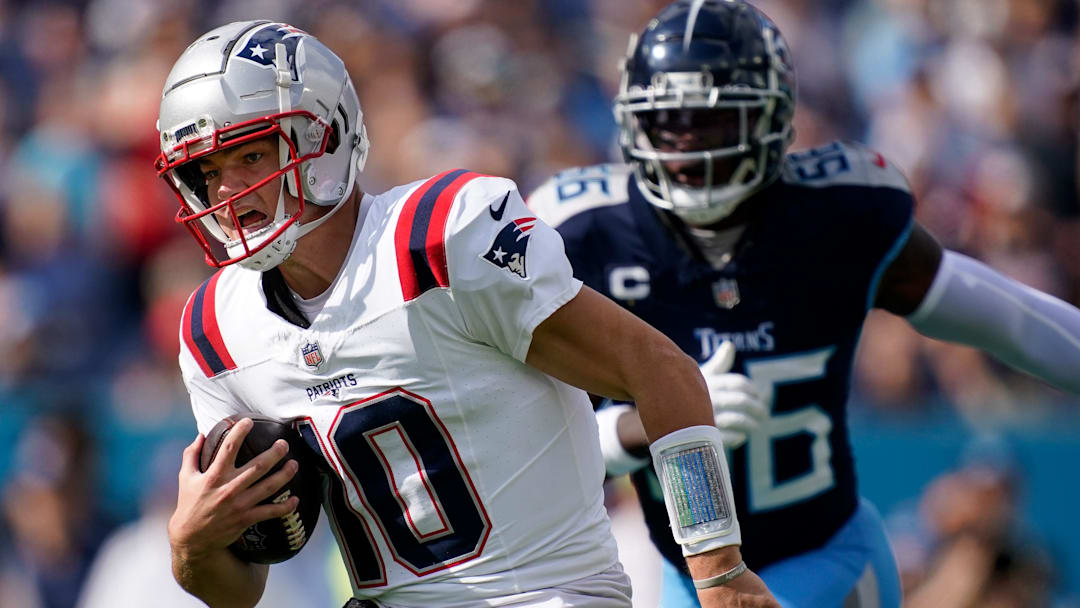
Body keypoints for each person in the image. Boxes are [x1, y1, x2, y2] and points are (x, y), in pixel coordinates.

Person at [153, 21, 779, 608]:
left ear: (325, 137)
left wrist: (718, 567)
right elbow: (237, 592)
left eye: (251, 157)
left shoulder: (442, 240)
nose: (227, 192)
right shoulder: (216, 329)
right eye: (207, 172)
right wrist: (192, 545)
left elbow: (659, 370)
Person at [525, 1, 1080, 606]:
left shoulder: (839, 214)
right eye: (667, 121)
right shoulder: (584, 234)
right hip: (690, 573)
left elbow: (1010, 319)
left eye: (711, 121)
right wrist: (651, 422)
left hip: (824, 560)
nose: (686, 145)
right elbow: (529, 445)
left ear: (772, 117)